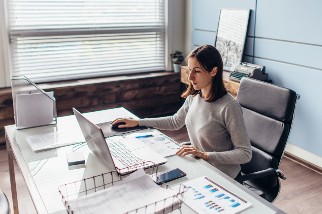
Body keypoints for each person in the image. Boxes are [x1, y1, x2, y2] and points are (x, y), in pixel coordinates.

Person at [112, 45, 251, 179]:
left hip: (224, 176)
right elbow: (175, 122)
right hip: (200, 166)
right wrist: (138, 122)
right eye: (190, 70)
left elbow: (245, 153)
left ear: (213, 71)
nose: (190, 77)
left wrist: (204, 155)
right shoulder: (194, 97)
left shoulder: (229, 106)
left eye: (196, 71)